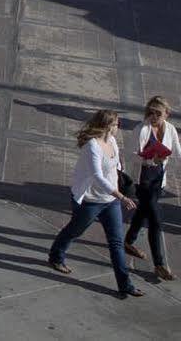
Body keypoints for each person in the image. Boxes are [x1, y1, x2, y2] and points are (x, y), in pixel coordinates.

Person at [44, 110, 143, 299]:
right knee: (75, 230)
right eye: (116, 124)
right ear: (107, 126)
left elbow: (115, 166)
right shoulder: (92, 146)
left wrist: (120, 179)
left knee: (116, 243)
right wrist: (121, 196)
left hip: (110, 201)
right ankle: (56, 256)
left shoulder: (112, 141)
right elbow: (97, 176)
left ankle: (125, 285)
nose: (118, 127)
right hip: (90, 201)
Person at [123, 96, 181, 282]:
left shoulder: (170, 129)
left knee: (142, 212)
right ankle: (159, 265)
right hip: (143, 181)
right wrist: (149, 160)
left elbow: (179, 152)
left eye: (158, 113)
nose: (154, 116)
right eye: (150, 111)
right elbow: (129, 155)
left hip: (159, 181)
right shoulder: (141, 130)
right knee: (155, 220)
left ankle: (127, 241)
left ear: (167, 114)